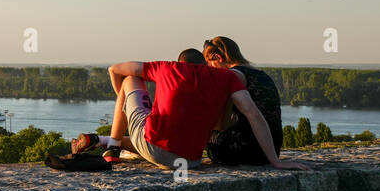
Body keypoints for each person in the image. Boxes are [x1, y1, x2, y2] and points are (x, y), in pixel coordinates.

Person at [71, 49, 306, 170]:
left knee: (129, 81)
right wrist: (275, 161)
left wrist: (123, 106)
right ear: (204, 64)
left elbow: (115, 70)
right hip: (191, 161)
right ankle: (103, 141)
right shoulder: (226, 78)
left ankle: (112, 148)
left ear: (180, 62)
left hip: (154, 149)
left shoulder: (167, 68)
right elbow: (253, 114)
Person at [202, 35, 284, 165]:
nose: (212, 70)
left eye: (210, 64)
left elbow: (253, 115)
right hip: (269, 149)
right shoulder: (259, 73)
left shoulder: (233, 75)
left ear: (218, 58)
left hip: (245, 151)